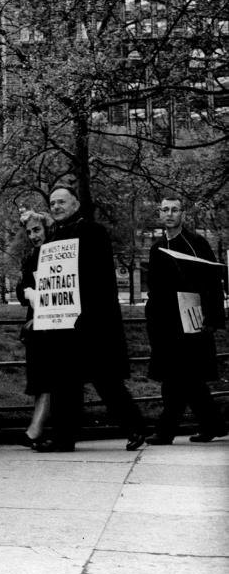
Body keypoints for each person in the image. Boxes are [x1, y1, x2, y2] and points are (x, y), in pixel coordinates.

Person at [32, 185, 146, 453]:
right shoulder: (53, 237)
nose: (56, 207)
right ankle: (63, 438)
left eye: (62, 202)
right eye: (52, 203)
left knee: (106, 380)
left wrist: (85, 310)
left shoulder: (92, 231)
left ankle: (135, 428)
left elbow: (99, 277)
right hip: (62, 321)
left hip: (91, 321)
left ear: (75, 205)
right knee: (63, 383)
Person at [145, 195, 228, 445]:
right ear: (160, 214)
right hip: (164, 321)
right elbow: (155, 288)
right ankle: (213, 424)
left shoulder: (196, 243)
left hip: (192, 319)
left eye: (175, 210)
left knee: (179, 377)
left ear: (183, 214)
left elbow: (213, 282)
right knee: (188, 379)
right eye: (165, 210)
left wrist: (212, 318)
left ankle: (166, 430)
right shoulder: (156, 247)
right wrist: (152, 318)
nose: (169, 214)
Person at [14, 210, 54, 447]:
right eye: (29, 232)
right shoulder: (31, 256)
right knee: (39, 377)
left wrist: (31, 292)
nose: (32, 235)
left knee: (47, 376)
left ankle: (36, 427)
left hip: (53, 321)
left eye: (37, 230)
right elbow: (22, 289)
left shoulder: (54, 252)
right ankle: (37, 426)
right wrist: (28, 292)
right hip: (36, 320)